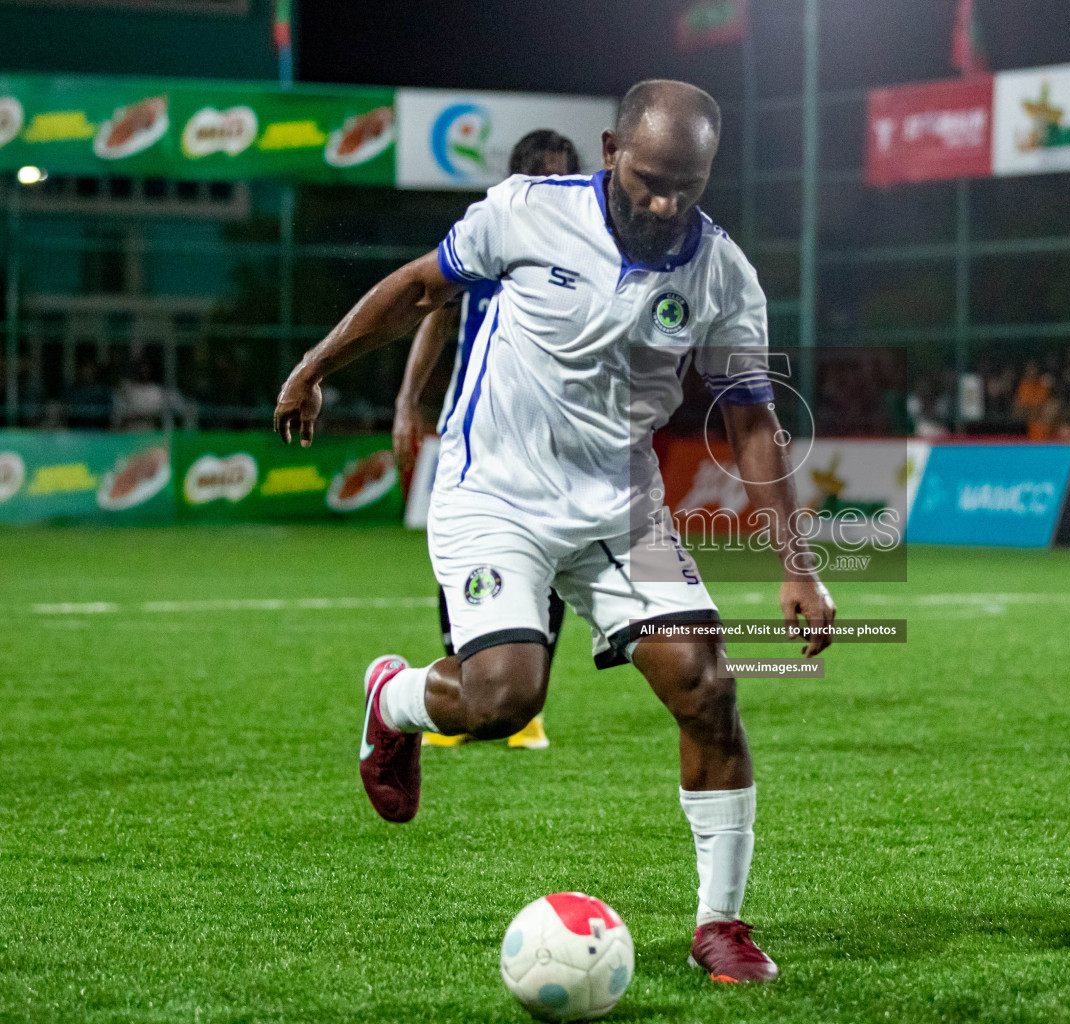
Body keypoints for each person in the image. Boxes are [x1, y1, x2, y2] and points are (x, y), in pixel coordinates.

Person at [274, 80, 835, 984]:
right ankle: (394, 701)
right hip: (493, 490)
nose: (665, 203)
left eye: (686, 187)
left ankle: (719, 925)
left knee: (708, 685)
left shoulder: (724, 274)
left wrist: (798, 565)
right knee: (504, 700)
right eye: (649, 178)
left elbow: (753, 421)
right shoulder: (526, 213)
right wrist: (314, 366)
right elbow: (421, 287)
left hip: (625, 507)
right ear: (611, 149)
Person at [394, 129, 582, 751]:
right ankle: (464, 680)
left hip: (554, 438)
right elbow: (434, 315)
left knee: (551, 563)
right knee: (461, 559)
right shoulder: (486, 235)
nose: (554, 184)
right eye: (544, 173)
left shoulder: (588, 252)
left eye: (564, 173)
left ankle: (527, 709)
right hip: (469, 432)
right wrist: (407, 402)